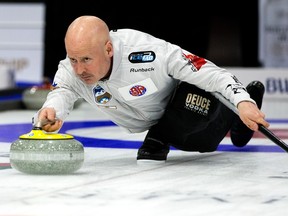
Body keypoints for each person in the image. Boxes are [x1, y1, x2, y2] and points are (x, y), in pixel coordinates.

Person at [33, 15, 270, 162]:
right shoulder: (70, 69)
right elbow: (62, 91)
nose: (78, 69)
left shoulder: (148, 53)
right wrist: (52, 111)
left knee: (194, 106)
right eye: (73, 59)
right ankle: (234, 122)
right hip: (157, 121)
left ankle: (161, 137)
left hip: (184, 101)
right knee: (200, 145)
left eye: (86, 59)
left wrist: (243, 101)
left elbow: (207, 71)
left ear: (108, 49)